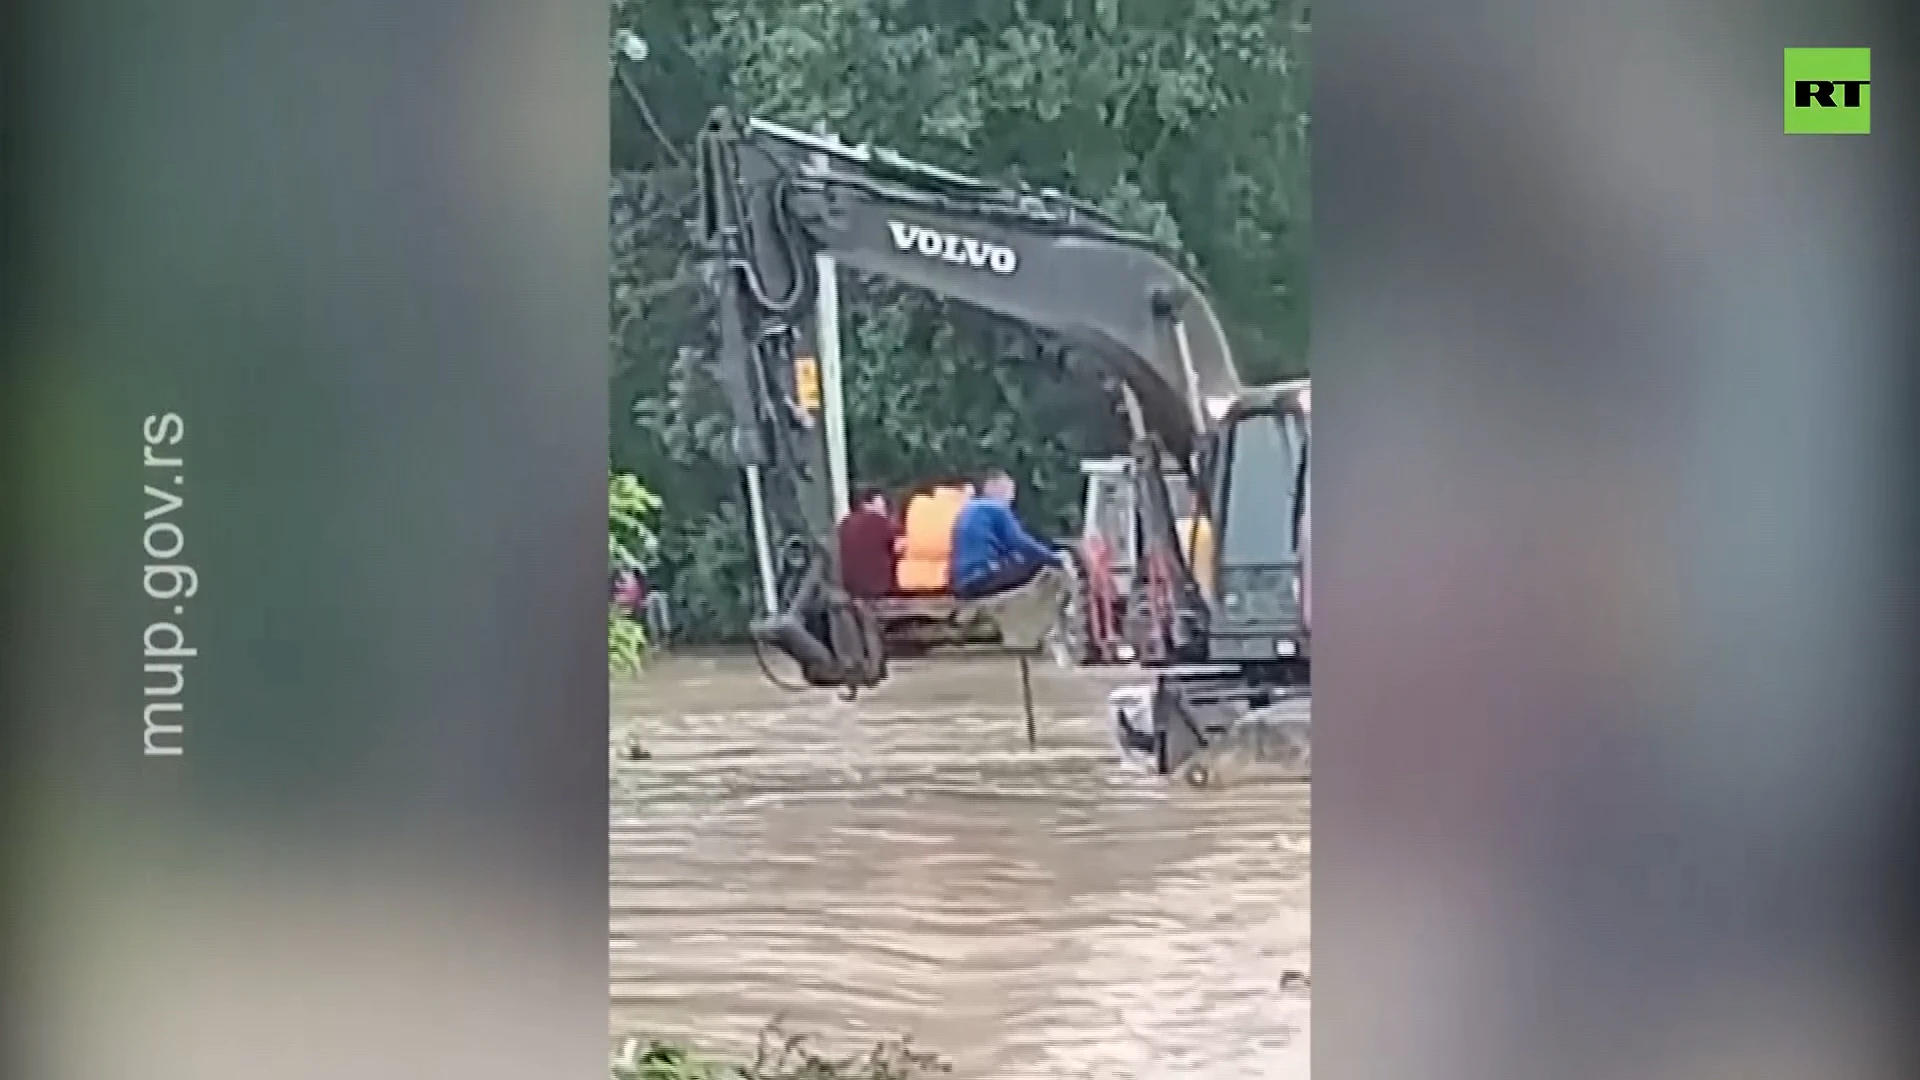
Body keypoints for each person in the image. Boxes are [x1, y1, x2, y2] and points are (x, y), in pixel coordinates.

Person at [948, 468, 1062, 601]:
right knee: (1038, 563)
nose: (1012, 496)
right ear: (992, 486)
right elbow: (1020, 542)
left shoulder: (971, 506)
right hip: (981, 577)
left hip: (962, 581)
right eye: (1009, 489)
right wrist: (1056, 559)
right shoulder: (995, 507)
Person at [836, 484, 900, 599]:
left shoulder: (845, 523)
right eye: (882, 503)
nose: (884, 507)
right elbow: (898, 547)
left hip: (851, 589)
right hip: (878, 589)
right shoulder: (880, 523)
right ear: (867, 504)